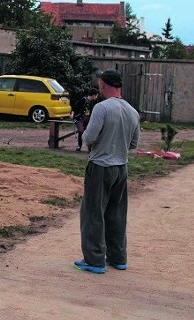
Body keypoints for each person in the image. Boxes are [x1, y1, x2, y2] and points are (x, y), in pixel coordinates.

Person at [74, 68, 140, 274]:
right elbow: (133, 143)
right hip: (121, 167)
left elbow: (89, 137)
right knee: (116, 213)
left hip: (100, 166)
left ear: (103, 85)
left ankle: (94, 260)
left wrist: (89, 139)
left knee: (93, 213)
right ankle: (118, 257)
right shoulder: (132, 111)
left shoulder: (102, 108)